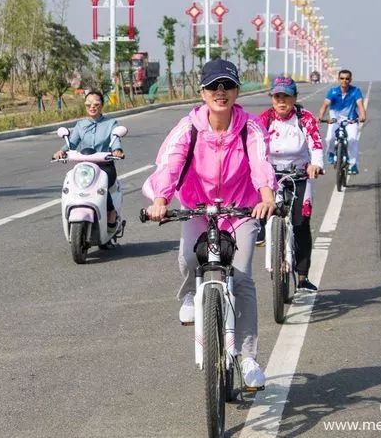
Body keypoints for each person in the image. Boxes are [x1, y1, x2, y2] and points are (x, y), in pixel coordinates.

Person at [142, 58, 277, 389]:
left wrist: (267, 196)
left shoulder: (250, 127)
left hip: (241, 208)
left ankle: (248, 359)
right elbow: (171, 163)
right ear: (202, 92)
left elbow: (260, 162)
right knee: (189, 257)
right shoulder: (188, 127)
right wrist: (160, 200)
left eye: (228, 86)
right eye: (214, 86)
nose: (221, 92)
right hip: (198, 208)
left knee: (242, 277)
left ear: (236, 91)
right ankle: (190, 295)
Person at [257, 76, 324, 291]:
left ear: (295, 97)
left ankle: (303, 277)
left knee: (301, 223)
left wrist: (316, 165)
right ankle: (263, 233)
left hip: (299, 174)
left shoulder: (305, 118)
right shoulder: (264, 120)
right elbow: (254, 148)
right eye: (277, 96)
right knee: (261, 209)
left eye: (286, 96)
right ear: (272, 98)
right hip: (271, 175)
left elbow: (316, 144)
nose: (282, 100)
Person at [53, 91, 124, 229]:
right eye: (88, 104)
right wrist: (61, 151)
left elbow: (116, 140)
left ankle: (111, 210)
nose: (92, 107)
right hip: (85, 167)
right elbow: (71, 143)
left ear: (102, 105)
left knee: (102, 185)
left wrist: (117, 150)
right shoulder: (80, 125)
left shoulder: (111, 123)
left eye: (96, 104)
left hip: (105, 166)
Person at [317, 69, 367, 175]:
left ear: (350, 80)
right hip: (335, 120)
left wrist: (362, 116)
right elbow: (324, 106)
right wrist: (320, 117)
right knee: (329, 138)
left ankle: (353, 165)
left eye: (347, 79)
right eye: (342, 78)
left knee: (352, 140)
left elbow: (360, 105)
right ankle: (331, 153)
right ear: (338, 79)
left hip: (351, 121)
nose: (344, 81)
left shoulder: (355, 91)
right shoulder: (333, 92)